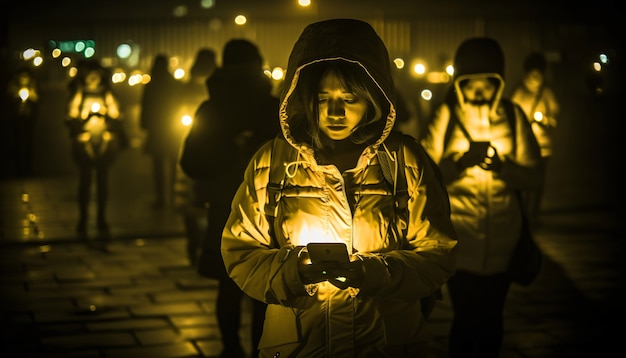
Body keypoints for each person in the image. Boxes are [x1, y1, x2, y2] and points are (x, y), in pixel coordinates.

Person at [220, 19, 457, 357]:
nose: (334, 112)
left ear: (373, 98)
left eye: (349, 98)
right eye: (322, 98)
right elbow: (240, 254)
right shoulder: (271, 162)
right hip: (301, 346)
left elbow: (438, 254)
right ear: (303, 97)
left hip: (385, 343)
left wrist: (371, 272)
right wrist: (294, 270)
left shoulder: (405, 161)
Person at [420, 37, 543, 357]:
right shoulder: (446, 116)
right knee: (465, 318)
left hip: (504, 239)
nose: (478, 92)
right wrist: (459, 163)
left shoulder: (514, 117)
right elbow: (422, 175)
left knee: (492, 319)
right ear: (459, 84)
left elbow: (534, 175)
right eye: (470, 84)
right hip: (460, 239)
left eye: (486, 84)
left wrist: (503, 168)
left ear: (498, 83)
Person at [179, 39, 279, 358]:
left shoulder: (211, 108)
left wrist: (224, 155)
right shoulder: (273, 107)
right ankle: (261, 351)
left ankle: (230, 349)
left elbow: (191, 162)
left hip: (225, 207)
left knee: (229, 286)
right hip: (271, 208)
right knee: (265, 291)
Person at [65, 59, 126, 235]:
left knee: (102, 182)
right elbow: (69, 116)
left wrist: (104, 117)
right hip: (84, 143)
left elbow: (117, 115)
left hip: (105, 143)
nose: (93, 78)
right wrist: (86, 119)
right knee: (84, 181)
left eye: (96, 75)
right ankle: (83, 218)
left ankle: (101, 217)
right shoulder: (79, 94)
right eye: (90, 75)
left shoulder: (108, 95)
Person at [174, 48, 217, 265]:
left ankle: (204, 242)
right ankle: (194, 241)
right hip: (191, 139)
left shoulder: (217, 88)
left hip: (209, 144)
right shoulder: (190, 87)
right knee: (188, 194)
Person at [511, 52, 560, 226]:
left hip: (544, 146)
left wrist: (545, 121)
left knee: (539, 181)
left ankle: (534, 213)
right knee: (524, 180)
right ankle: (523, 213)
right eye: (532, 75)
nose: (535, 79)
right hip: (524, 146)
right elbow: (513, 116)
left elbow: (555, 116)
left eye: (538, 75)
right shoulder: (519, 93)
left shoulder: (547, 94)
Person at [140, 54, 184, 208]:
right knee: (173, 163)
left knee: (158, 165)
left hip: (157, 129)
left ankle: (160, 197)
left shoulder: (152, 84)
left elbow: (146, 106)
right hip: (172, 129)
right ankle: (172, 195)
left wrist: (145, 125)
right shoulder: (175, 84)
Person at [6, 66, 40, 177]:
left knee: (29, 143)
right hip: (16, 119)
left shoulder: (33, 87)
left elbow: (38, 99)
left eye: (26, 76)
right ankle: (17, 168)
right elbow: (8, 101)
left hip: (29, 119)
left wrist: (31, 95)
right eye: (22, 76)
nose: (24, 79)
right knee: (16, 143)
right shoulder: (13, 87)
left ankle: (28, 168)